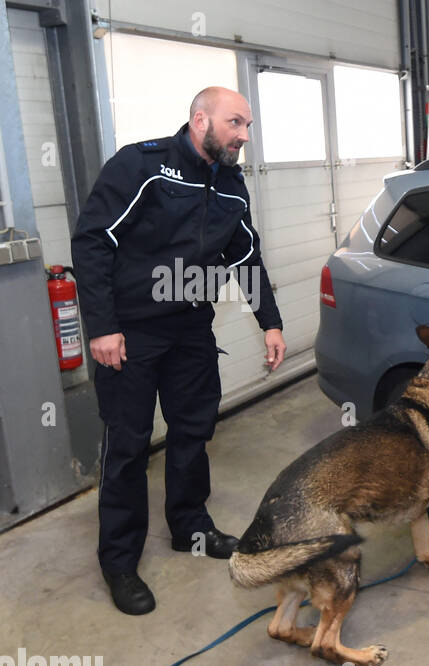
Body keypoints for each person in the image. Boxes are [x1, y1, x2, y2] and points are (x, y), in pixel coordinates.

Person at [71, 87, 286, 615]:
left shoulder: (232, 184)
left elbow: (246, 255)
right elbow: (93, 239)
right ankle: (119, 560)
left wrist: (271, 324)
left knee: (193, 431)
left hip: (191, 327)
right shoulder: (142, 166)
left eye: (248, 124)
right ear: (200, 120)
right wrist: (102, 326)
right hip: (131, 332)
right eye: (236, 122)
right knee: (129, 445)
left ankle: (190, 527)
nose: (244, 135)